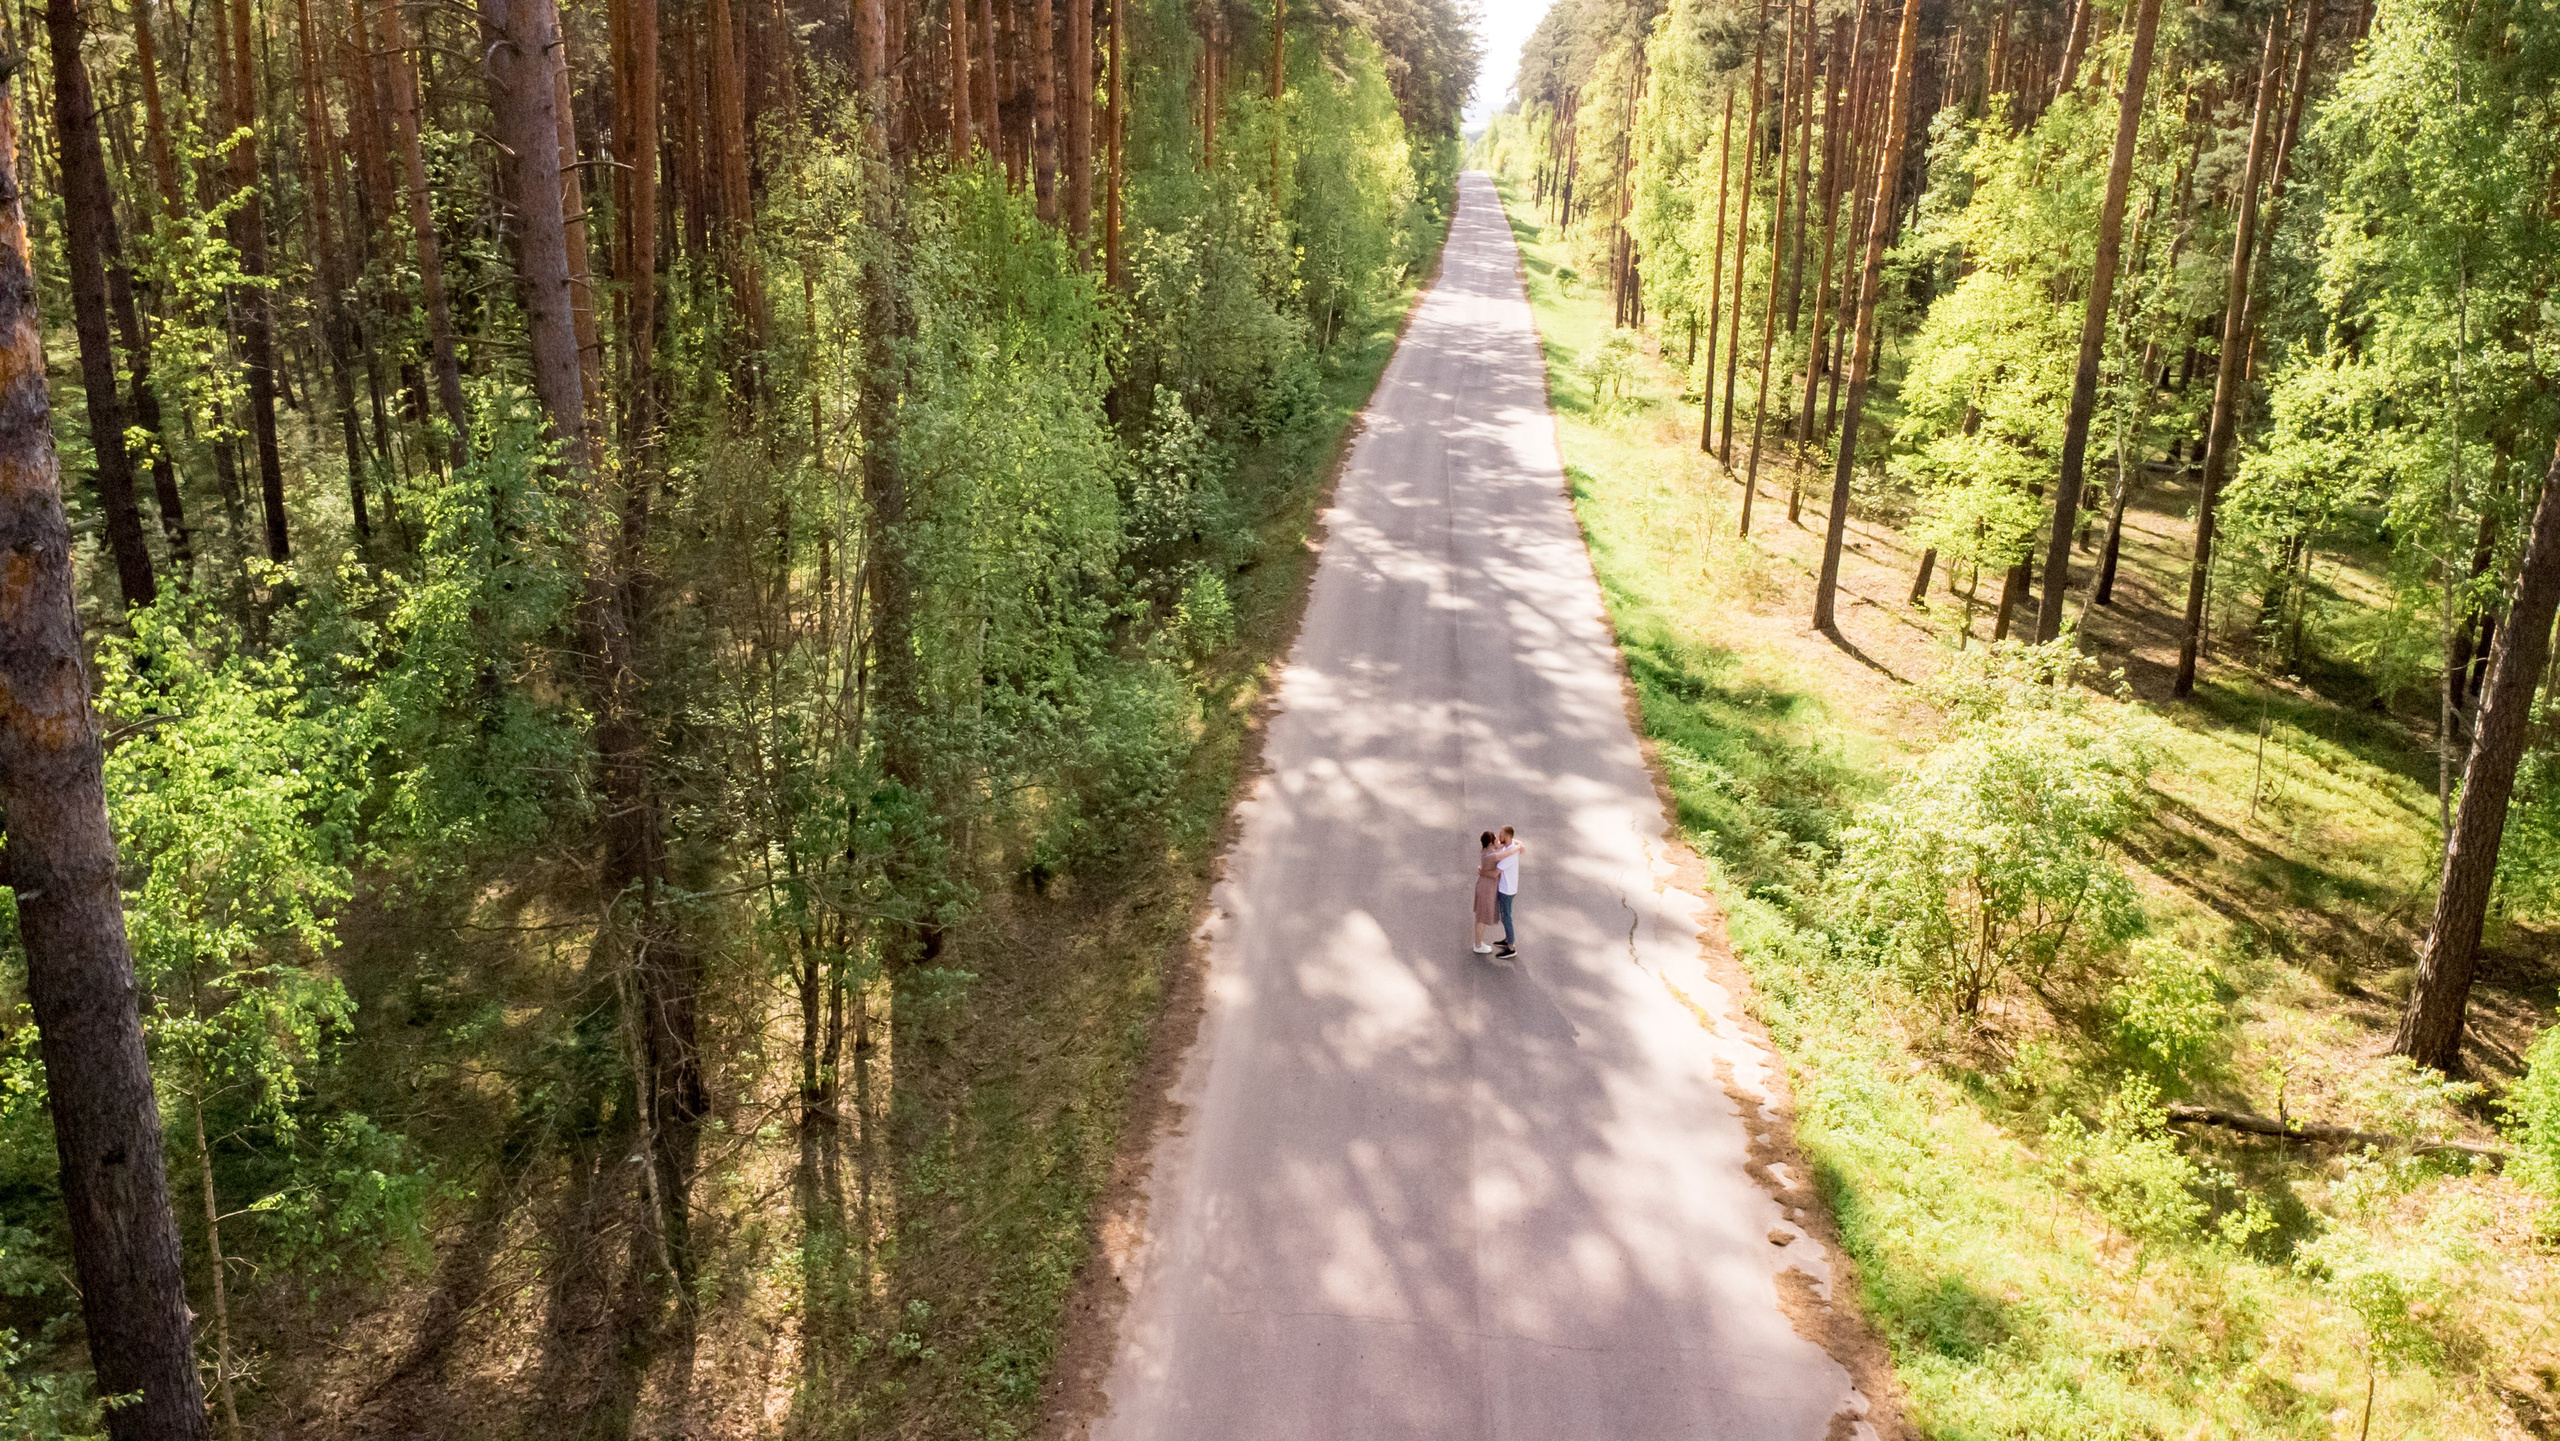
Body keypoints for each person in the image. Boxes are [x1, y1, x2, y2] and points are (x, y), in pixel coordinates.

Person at [1492, 826, 1523, 958]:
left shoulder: (1510, 855)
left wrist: (1483, 873)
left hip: (1507, 890)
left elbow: (1496, 872)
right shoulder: (1509, 848)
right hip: (1506, 888)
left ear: (1508, 836)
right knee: (1505, 916)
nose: (1499, 837)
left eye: (1502, 834)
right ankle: (1508, 939)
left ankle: (1511, 947)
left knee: (1506, 917)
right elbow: (1517, 843)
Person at [1471, 832, 1502, 954]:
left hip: (1483, 886)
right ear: (1491, 842)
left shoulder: (1486, 851)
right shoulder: (1491, 855)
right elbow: (1495, 873)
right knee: (1481, 918)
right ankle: (1478, 945)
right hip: (1486, 889)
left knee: (1480, 917)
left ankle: (1478, 942)